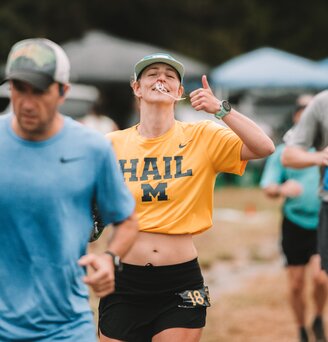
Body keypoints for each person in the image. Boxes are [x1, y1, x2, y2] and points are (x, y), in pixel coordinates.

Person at [97, 52, 275, 342]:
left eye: (169, 76)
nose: (161, 79)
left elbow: (264, 147)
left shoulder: (203, 135)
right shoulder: (111, 144)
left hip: (180, 281)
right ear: (136, 88)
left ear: (179, 92)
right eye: (152, 73)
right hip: (124, 281)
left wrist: (221, 109)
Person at [0, 38, 138, 342]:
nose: (26, 102)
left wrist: (108, 258)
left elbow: (126, 220)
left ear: (63, 91)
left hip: (65, 327)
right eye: (19, 88)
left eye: (39, 90)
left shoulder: (92, 149)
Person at [260, 94, 328, 342]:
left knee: (321, 278)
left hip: (322, 220)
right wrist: (281, 189)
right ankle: (301, 328)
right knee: (297, 284)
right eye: (304, 111)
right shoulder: (284, 153)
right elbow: (268, 187)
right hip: (294, 222)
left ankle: (319, 317)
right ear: (297, 117)